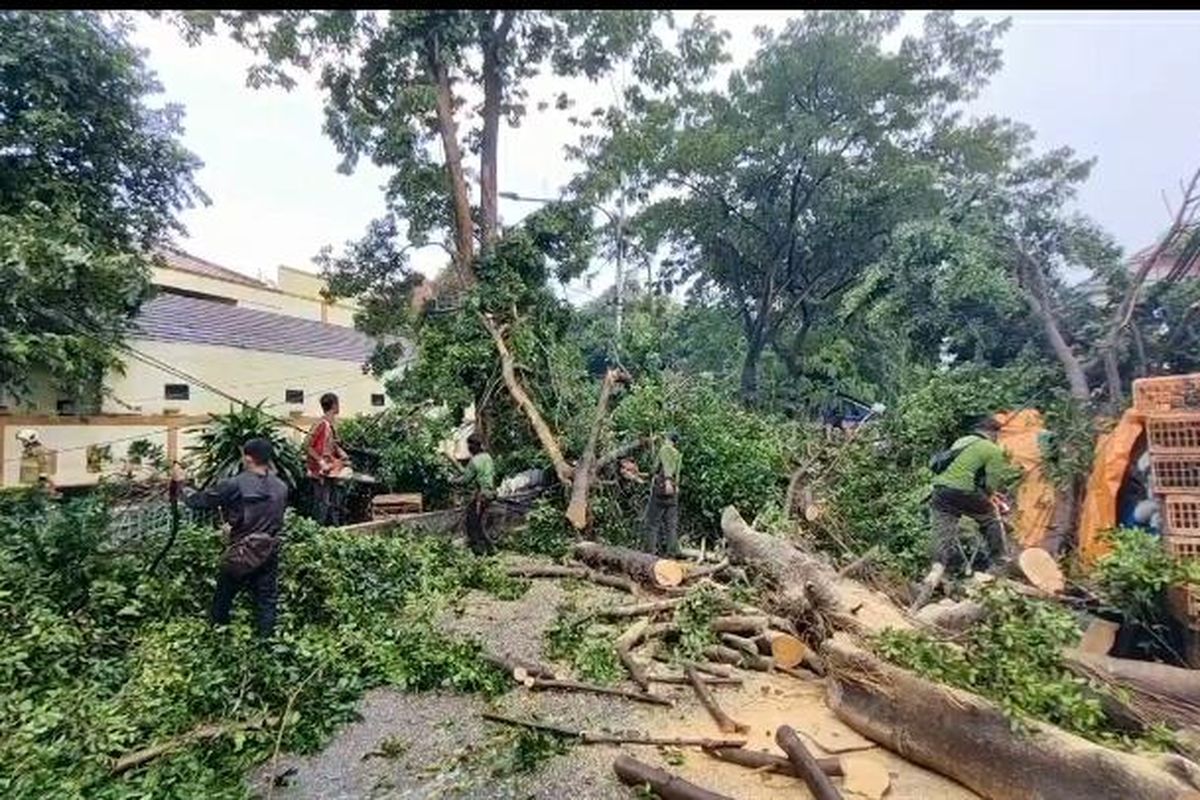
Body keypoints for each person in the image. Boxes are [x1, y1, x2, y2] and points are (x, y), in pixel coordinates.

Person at [173, 438, 289, 637]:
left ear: (248, 458)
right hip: (269, 550)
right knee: (267, 601)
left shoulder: (235, 484)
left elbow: (199, 501)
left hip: (242, 553)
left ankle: (218, 636)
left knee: (223, 597)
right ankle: (267, 646)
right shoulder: (281, 486)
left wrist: (181, 484)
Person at [306, 392, 350, 525]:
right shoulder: (320, 424)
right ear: (335, 405)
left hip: (330, 471)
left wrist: (342, 454)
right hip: (320, 472)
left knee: (333, 504)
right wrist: (320, 461)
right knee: (322, 505)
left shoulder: (331, 425)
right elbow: (307, 446)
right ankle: (316, 533)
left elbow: (333, 445)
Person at [453, 433, 496, 556]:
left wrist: (453, 481)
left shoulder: (474, 461)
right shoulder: (488, 457)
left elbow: (466, 480)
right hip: (490, 492)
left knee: (473, 524)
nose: (468, 448)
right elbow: (474, 474)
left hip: (482, 496)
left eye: (469, 445)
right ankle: (487, 550)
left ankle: (482, 551)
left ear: (475, 446)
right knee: (479, 523)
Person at [642, 431, 683, 558]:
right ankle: (672, 553)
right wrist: (673, 484)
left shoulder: (664, 449)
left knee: (652, 523)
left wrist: (666, 480)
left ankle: (650, 553)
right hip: (673, 493)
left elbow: (657, 468)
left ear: (668, 439)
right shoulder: (678, 454)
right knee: (671, 524)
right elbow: (677, 474)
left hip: (662, 489)